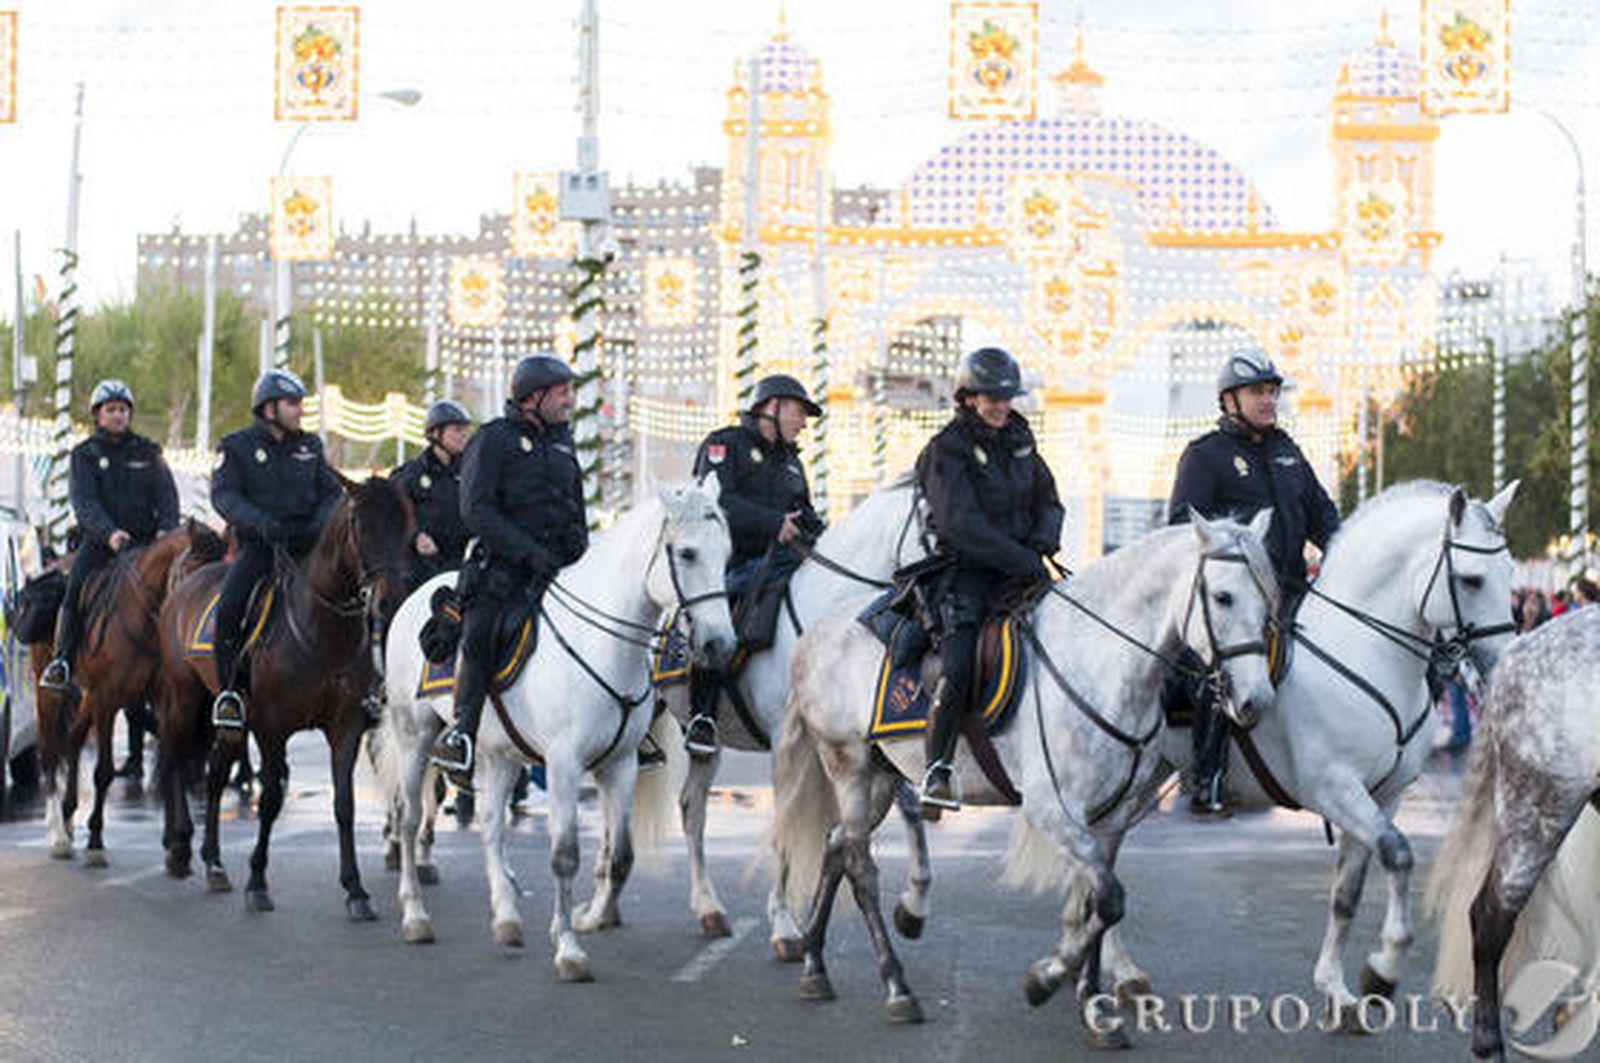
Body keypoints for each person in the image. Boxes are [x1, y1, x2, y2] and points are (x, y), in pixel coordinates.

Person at [1166, 349, 1341, 815]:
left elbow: (1322, 514)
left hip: (1294, 591)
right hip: (1238, 600)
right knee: (1217, 672)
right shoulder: (1206, 456)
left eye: (1271, 391)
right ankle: (1208, 777)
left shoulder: (1288, 451)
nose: (1268, 400)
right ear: (1230, 400)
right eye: (1257, 392)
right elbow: (1184, 528)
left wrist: (1343, 552)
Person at [914, 347, 1064, 813]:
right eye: (990, 398)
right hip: (967, 574)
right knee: (959, 666)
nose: (1000, 405)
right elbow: (960, 523)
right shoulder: (947, 448)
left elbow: (1050, 500)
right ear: (968, 397)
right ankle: (936, 768)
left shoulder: (1021, 438)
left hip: (1023, 570)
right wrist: (1022, 558)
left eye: (1006, 397)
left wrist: (1043, 540)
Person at [429, 355, 588, 784]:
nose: (570, 401)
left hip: (561, 568)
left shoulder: (562, 442)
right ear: (533, 397)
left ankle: (625, 732)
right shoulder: (493, 439)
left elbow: (576, 504)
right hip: (504, 568)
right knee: (481, 631)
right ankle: (461, 734)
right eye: (562, 392)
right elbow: (475, 509)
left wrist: (581, 547)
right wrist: (528, 552)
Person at [683, 373, 824, 757]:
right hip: (733, 559)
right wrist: (772, 523)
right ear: (772, 407)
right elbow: (717, 500)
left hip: (785, 561)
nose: (803, 422)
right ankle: (703, 714)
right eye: (799, 412)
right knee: (718, 614)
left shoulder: (792, 462)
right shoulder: (725, 445)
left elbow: (806, 513)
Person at [209, 368, 342, 730]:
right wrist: (262, 524)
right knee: (230, 608)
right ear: (269, 408)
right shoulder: (236, 446)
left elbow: (331, 492)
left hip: (307, 549)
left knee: (353, 599)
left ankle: (360, 687)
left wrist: (316, 526)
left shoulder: (310, 446)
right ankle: (230, 694)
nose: (300, 411)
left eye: (300, 403)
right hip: (261, 547)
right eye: (292, 404)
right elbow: (224, 495)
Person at [41, 379, 179, 696]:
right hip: (102, 545)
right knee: (74, 587)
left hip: (147, 546)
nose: (118, 415)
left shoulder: (149, 451)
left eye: (122, 409)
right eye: (111, 410)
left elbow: (167, 495)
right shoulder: (84, 454)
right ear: (98, 415)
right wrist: (110, 533)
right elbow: (84, 503)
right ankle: (62, 661)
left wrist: (167, 530)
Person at [391, 399, 474, 594]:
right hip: (424, 565)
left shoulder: (472, 470)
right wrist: (415, 537)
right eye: (456, 430)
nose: (463, 436)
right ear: (436, 434)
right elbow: (393, 514)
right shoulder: (410, 475)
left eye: (464, 430)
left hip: (463, 561)